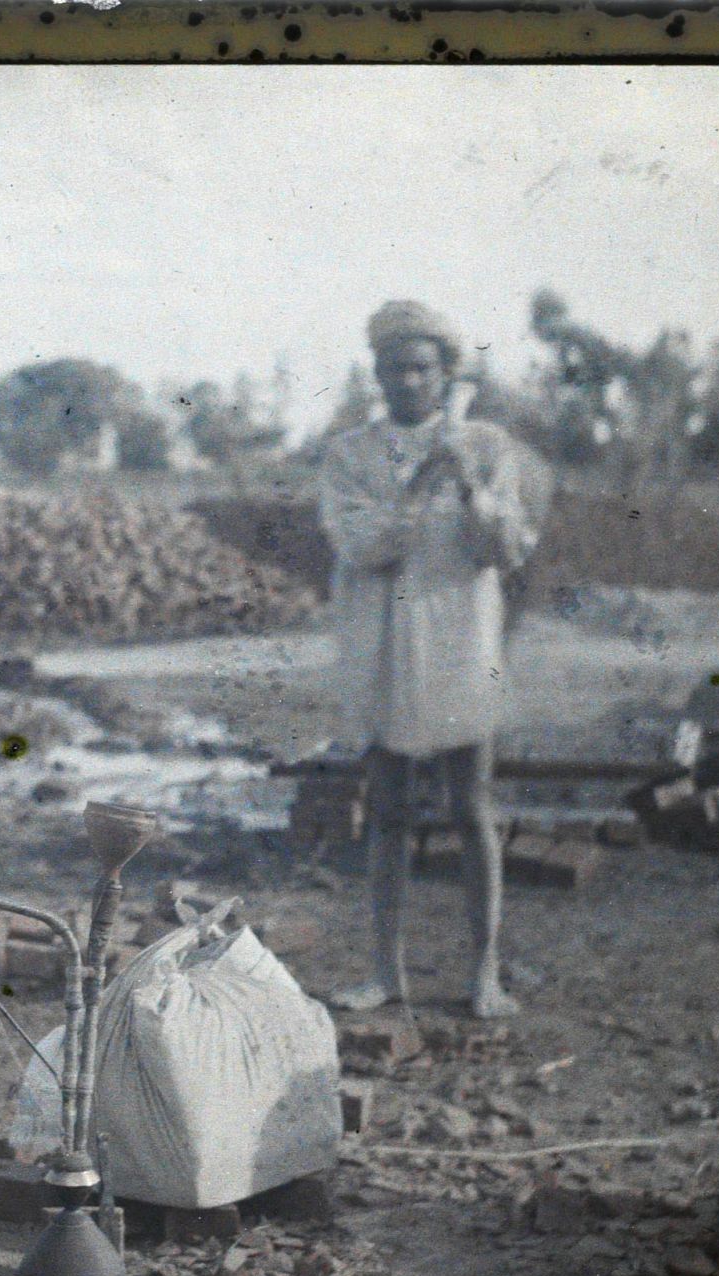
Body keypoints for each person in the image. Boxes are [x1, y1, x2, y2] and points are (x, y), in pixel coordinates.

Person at [316, 301, 550, 1020]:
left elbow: (508, 550)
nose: (406, 382)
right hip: (386, 648)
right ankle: (386, 973)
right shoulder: (350, 454)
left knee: (471, 807)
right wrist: (418, 486)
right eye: (393, 369)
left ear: (446, 374)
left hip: (460, 643)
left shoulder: (485, 445)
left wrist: (469, 485)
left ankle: (484, 975)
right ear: (378, 376)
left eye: (421, 369)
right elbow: (360, 546)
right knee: (386, 813)